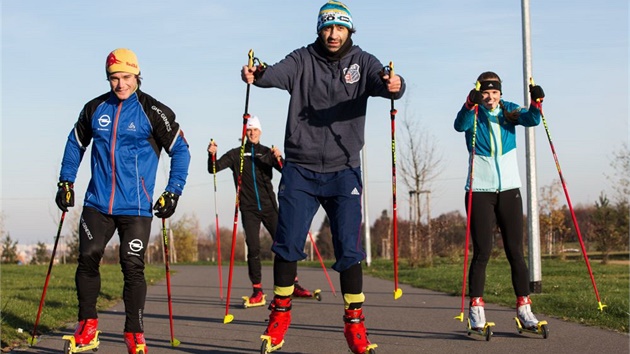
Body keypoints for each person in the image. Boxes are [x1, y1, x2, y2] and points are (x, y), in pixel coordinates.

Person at [241, 2, 405, 353]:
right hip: (300, 168)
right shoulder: (302, 59)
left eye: (340, 29)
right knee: (286, 245)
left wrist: (396, 83)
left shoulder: (363, 62)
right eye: (328, 28)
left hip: (344, 170)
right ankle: (280, 314)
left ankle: (355, 325)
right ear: (320, 30)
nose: (333, 35)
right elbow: (275, 74)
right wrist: (258, 72)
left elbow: (386, 84)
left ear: (349, 31)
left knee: (349, 249)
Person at [55, 48, 191, 354]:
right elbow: (75, 143)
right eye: (114, 78)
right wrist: (66, 180)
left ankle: (134, 335)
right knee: (88, 257)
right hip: (98, 202)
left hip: (137, 206)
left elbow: (181, 151)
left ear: (137, 76)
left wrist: (173, 190)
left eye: (126, 77)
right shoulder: (94, 108)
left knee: (132, 267)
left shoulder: (154, 111)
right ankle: (87, 326)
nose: (120, 84)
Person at [453, 71, 546, 332]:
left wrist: (536, 102)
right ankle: (476, 309)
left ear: (500, 94)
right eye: (486, 92)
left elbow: (532, 120)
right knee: (482, 251)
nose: (490, 97)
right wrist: (469, 104)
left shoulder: (509, 110)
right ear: (479, 93)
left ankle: (524, 307)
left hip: (509, 190)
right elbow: (459, 125)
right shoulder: (473, 113)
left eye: (494, 92)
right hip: (479, 191)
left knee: (516, 252)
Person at [206, 116, 315, 308]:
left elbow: (287, 172)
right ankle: (257, 291)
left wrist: (279, 158)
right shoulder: (236, 155)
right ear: (245, 133)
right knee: (253, 248)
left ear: (260, 132)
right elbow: (213, 169)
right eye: (249, 130)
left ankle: (293, 284)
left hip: (269, 207)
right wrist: (212, 154)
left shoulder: (267, 153)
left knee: (284, 244)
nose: (252, 133)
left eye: (255, 130)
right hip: (248, 209)